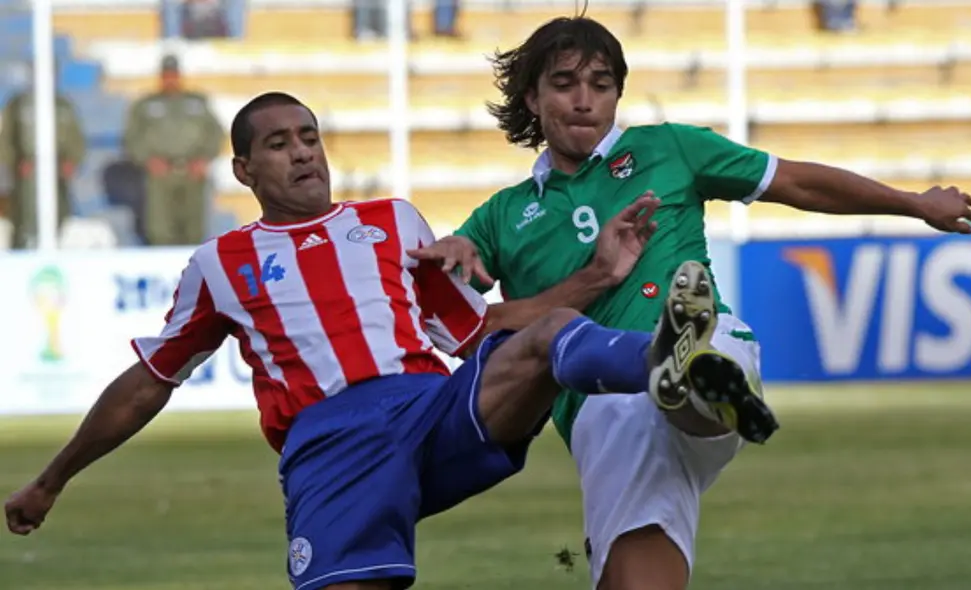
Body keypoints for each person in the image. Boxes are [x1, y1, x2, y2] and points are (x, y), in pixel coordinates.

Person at [5, 91, 696, 590]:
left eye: (309, 136)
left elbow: (480, 332)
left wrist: (597, 275)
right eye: (279, 144)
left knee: (547, 336)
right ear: (244, 171)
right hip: (335, 443)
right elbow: (150, 380)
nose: (303, 151)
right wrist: (51, 479)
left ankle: (670, 362)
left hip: (434, 412)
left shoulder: (395, 221)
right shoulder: (221, 264)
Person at [421, 16, 971, 590]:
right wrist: (591, 278)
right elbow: (467, 333)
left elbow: (797, 183)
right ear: (532, 97)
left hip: (702, 344)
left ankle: (690, 375)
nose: (586, 100)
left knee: (696, 359)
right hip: (599, 408)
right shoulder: (500, 217)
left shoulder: (669, 149)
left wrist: (913, 203)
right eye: (565, 84)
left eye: (602, 83)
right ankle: (682, 375)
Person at [122, 54, 224, 246]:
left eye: (174, 74)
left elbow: (215, 133)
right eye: (166, 74)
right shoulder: (145, 105)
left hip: (192, 171)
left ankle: (194, 273)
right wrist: (147, 160)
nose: (170, 79)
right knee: (160, 230)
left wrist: (205, 158)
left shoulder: (198, 102)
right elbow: (132, 137)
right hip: (160, 174)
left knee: (194, 230)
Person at [0, 67, 86, 250]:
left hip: (56, 170)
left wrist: (72, 160)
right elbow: (6, 139)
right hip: (27, 171)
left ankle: (55, 249)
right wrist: (15, 163)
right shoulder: (18, 104)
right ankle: (22, 254)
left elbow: (76, 138)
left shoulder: (63, 105)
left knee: (58, 213)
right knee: (25, 217)